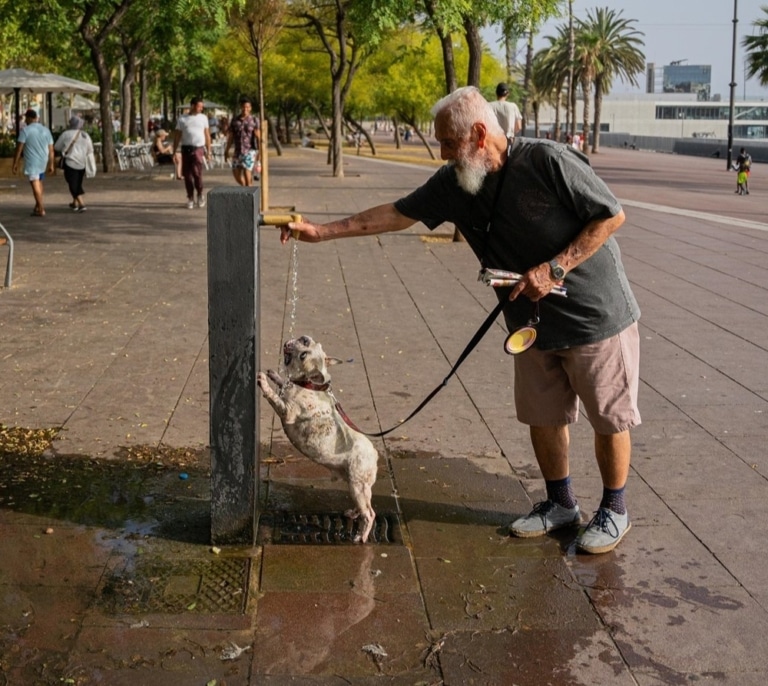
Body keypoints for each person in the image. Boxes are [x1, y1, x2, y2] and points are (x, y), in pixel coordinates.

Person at [282, 86, 641, 555]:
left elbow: (611, 217)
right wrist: (320, 232)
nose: (442, 152)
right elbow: (395, 214)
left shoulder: (548, 161)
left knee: (608, 418)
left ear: (477, 133)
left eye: (448, 143)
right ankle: (561, 505)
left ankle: (614, 510)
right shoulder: (455, 182)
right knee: (544, 415)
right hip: (530, 319)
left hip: (594, 313)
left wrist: (555, 268)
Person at [11, 109, 54, 217]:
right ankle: (37, 206)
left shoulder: (26, 131)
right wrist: (51, 164)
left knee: (34, 183)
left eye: (26, 118)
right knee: (39, 181)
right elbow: (51, 149)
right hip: (43, 161)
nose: (25, 120)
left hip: (32, 162)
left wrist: (15, 163)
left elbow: (19, 148)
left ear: (30, 118)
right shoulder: (46, 130)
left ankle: (41, 208)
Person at [172, 97, 212, 209]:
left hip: (198, 148)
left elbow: (207, 134)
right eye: (199, 106)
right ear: (192, 106)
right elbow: (177, 135)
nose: (201, 109)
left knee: (197, 173)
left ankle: (199, 194)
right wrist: (174, 151)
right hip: (186, 148)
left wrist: (209, 151)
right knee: (187, 175)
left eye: (202, 107)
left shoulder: (203, 118)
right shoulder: (182, 119)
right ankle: (190, 196)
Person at [54, 115, 95, 213]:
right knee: (77, 183)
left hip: (70, 162)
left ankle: (81, 204)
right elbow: (90, 149)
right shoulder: (85, 135)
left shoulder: (66, 134)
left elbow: (57, 147)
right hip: (82, 163)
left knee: (73, 184)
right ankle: (75, 203)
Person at [224, 96, 259, 187]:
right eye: (244, 107)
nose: (245, 109)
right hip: (238, 151)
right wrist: (227, 150)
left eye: (247, 107)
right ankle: (245, 189)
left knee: (248, 176)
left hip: (249, 151)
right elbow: (231, 137)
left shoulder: (254, 120)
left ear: (250, 108)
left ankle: (249, 195)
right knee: (236, 174)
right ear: (241, 107)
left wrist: (260, 153)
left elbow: (259, 137)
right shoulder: (235, 120)